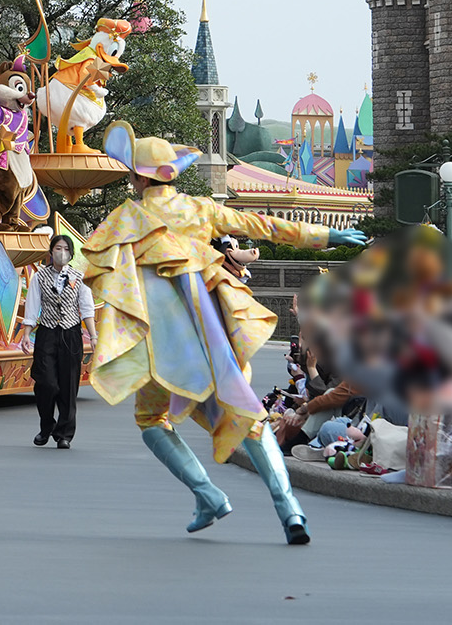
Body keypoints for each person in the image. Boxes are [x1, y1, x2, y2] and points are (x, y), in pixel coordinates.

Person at [77, 123, 365, 544]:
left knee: (150, 418)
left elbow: (95, 273)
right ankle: (290, 510)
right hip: (212, 344)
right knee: (248, 418)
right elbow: (263, 224)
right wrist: (327, 236)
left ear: (138, 178)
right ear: (171, 174)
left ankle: (208, 494)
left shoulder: (124, 220)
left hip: (161, 351)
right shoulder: (200, 210)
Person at [19, 235, 95, 448]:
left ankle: (64, 434)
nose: (61, 252)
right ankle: (47, 426)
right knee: (45, 382)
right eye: (57, 248)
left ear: (71, 253)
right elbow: (32, 307)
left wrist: (94, 336)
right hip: (47, 332)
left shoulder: (78, 277)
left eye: (65, 249)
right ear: (50, 252)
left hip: (71, 333)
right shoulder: (39, 277)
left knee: (69, 386)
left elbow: (87, 309)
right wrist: (26, 334)